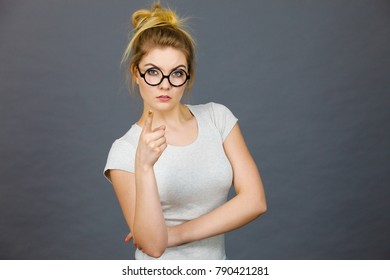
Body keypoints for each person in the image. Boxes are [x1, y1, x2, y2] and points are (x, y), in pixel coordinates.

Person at [103, 3, 267, 260]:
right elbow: (153, 246)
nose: (165, 85)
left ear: (188, 76)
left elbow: (255, 201)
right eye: (153, 72)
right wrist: (144, 166)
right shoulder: (125, 149)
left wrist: (175, 234)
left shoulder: (217, 118)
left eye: (176, 73)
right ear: (136, 73)